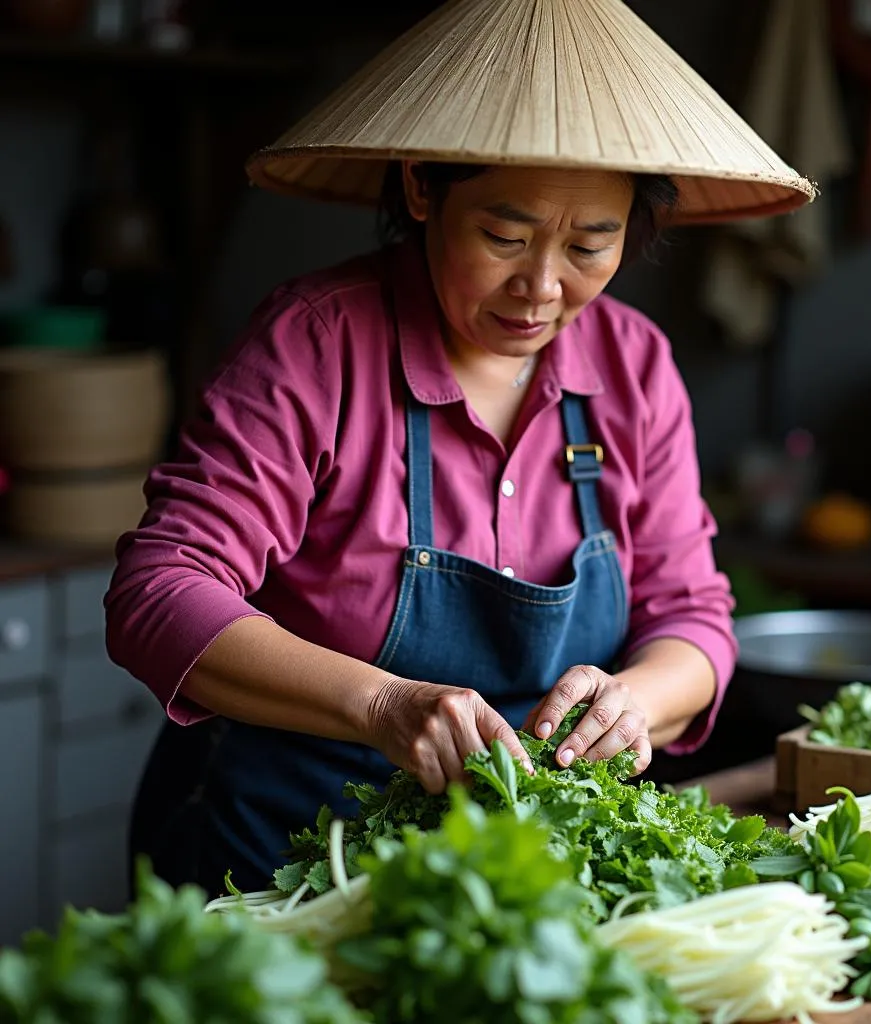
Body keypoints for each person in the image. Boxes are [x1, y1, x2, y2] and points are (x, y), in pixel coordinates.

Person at [106, 0, 813, 896]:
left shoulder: (634, 368)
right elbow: (160, 592)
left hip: (513, 875)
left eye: (593, 245)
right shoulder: (317, 345)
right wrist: (384, 704)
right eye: (504, 237)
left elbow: (695, 621)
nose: (543, 287)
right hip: (281, 857)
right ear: (419, 189)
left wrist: (641, 700)